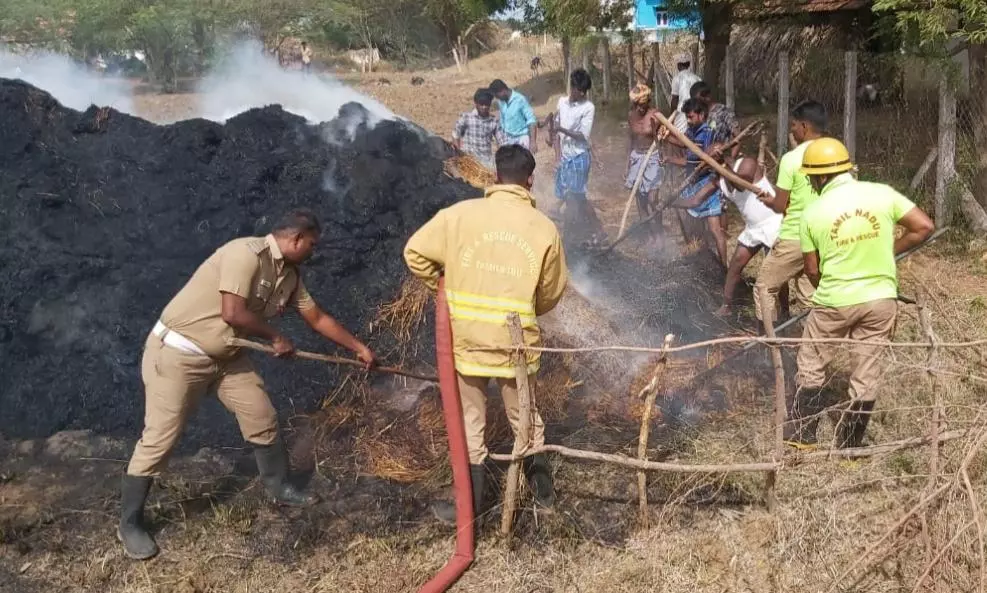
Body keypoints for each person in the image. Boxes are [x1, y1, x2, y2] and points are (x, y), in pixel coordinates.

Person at [118, 210, 377, 561]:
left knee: (261, 415)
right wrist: (276, 337)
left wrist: (358, 347)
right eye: (312, 244)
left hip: (227, 354)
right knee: (161, 438)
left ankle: (278, 486)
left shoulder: (290, 276)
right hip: (179, 354)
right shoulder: (244, 253)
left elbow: (316, 317)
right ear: (296, 239)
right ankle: (130, 523)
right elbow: (232, 312)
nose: (314, 251)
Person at [403, 144, 568, 524]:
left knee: (471, 424)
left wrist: (444, 291)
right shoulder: (543, 228)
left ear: (494, 177)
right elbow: (552, 290)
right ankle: (545, 500)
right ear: (529, 181)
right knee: (526, 421)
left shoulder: (458, 215)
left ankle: (472, 509)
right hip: (515, 344)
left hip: (468, 342)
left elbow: (415, 253)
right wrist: (529, 306)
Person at [785, 138, 934, 449]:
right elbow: (923, 226)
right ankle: (850, 446)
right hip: (880, 300)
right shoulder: (881, 193)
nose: (811, 183)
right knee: (866, 373)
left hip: (833, 301)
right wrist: (887, 254)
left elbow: (812, 270)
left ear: (819, 176)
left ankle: (803, 437)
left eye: (811, 177)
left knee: (811, 364)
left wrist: (830, 285)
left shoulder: (812, 213)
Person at [753, 100, 828, 324]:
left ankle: (769, 348)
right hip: (823, 237)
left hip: (795, 237)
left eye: (794, 125)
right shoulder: (834, 154)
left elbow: (780, 205)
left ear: (804, 126)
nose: (792, 130)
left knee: (764, 288)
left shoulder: (792, 159)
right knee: (809, 296)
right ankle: (812, 347)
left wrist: (769, 201)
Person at [713, 156, 783, 317]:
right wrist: (673, 202)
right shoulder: (719, 180)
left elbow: (739, 184)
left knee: (776, 269)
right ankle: (726, 306)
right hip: (753, 228)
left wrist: (726, 165)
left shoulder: (746, 163)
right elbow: (697, 199)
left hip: (773, 222)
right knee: (736, 264)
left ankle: (784, 311)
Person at [670, 98, 728, 267]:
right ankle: (706, 260)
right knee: (701, 228)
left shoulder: (705, 133)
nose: (688, 121)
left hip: (708, 183)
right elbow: (684, 143)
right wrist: (667, 137)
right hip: (696, 183)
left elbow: (692, 161)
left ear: (701, 115)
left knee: (715, 229)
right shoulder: (693, 130)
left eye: (691, 117)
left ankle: (723, 266)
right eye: (687, 117)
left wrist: (670, 158)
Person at [552, 68, 603, 243]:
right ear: (572, 87)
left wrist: (562, 130)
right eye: (579, 90)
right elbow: (555, 128)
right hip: (565, 157)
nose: (582, 94)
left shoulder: (589, 107)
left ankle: (569, 237)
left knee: (573, 198)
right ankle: (596, 229)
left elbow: (583, 136)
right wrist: (557, 156)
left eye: (584, 91)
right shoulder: (561, 103)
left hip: (579, 158)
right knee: (576, 197)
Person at [625, 83, 665, 246]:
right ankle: (649, 236)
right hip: (636, 157)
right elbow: (630, 139)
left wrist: (664, 156)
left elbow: (664, 137)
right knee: (640, 199)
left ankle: (659, 235)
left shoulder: (655, 115)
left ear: (647, 102)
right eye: (636, 106)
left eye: (642, 106)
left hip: (653, 157)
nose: (639, 109)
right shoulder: (631, 115)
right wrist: (626, 163)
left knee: (652, 199)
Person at [452, 88, 500, 170]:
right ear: (476, 103)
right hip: (469, 160)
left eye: (487, 104)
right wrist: (458, 153)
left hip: (486, 162)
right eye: (481, 104)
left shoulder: (493, 121)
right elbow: (455, 134)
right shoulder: (467, 117)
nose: (484, 107)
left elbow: (500, 141)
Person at [690, 80, 739, 156]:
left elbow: (737, 136)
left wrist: (731, 158)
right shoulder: (698, 116)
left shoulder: (723, 111)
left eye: (699, 100)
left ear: (707, 97)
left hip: (721, 158)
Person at [488, 79, 538, 153]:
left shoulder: (520, 100)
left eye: (497, 95)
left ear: (503, 90)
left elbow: (531, 121)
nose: (497, 98)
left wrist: (533, 142)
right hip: (507, 139)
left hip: (522, 138)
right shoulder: (501, 102)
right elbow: (503, 120)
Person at [669, 53, 701, 133]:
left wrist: (672, 116)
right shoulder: (697, 78)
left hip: (681, 112)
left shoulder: (676, 78)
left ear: (678, 65)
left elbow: (674, 99)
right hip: (695, 112)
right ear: (689, 64)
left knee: (680, 135)